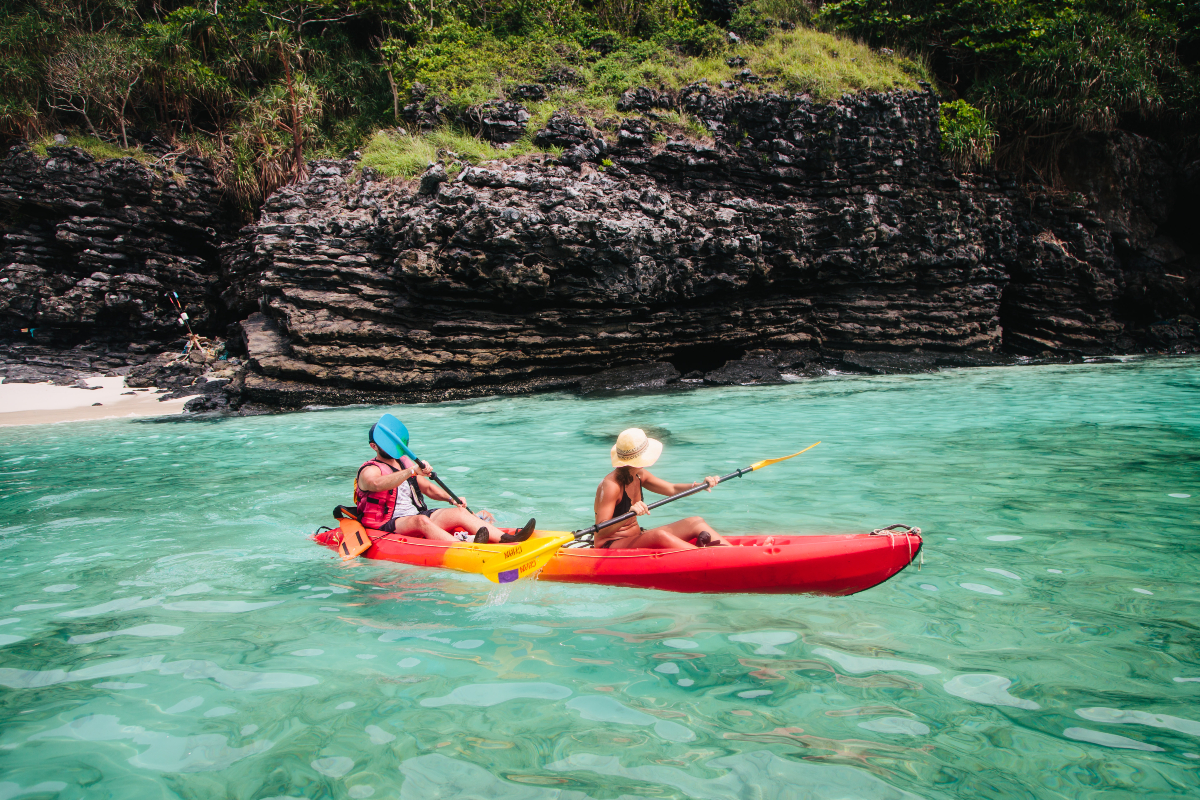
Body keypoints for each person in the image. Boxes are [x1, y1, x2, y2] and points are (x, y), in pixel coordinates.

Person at [355, 417, 534, 544]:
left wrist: (451, 499)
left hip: (414, 515)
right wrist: (412, 471)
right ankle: (465, 549)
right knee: (421, 522)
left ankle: (509, 539)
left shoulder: (404, 462)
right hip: (386, 524)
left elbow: (427, 487)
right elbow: (377, 484)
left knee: (459, 512)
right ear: (374, 446)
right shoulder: (369, 470)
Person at [593, 428, 729, 550]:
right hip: (610, 544)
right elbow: (601, 532)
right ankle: (708, 557)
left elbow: (672, 488)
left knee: (694, 521)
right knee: (658, 536)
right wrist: (629, 513)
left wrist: (698, 486)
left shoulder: (639, 475)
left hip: (636, 537)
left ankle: (732, 552)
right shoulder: (611, 485)